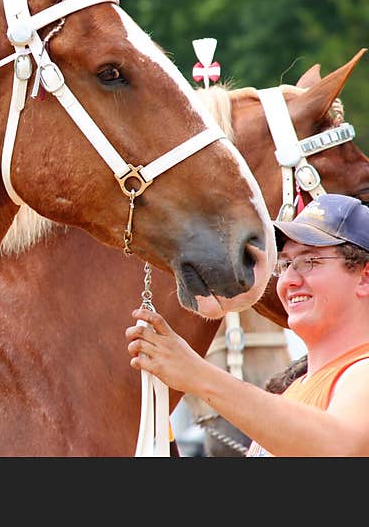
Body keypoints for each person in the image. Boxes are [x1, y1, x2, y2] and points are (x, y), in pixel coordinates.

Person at [126, 193, 369, 456]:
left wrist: (195, 374)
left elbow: (339, 448)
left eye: (309, 261)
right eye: (285, 264)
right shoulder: (292, 392)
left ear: (364, 277)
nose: (289, 280)